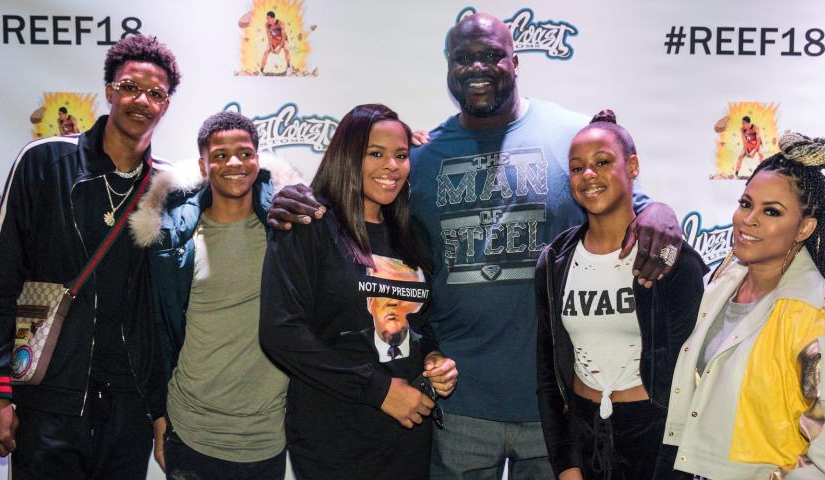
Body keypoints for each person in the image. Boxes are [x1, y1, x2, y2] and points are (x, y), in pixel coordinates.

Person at [266, 13, 683, 479]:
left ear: (516, 61)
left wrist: (661, 211)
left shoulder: (569, 135)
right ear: (448, 68)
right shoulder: (420, 159)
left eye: (490, 55)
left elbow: (634, 207)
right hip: (455, 404)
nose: (476, 67)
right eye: (462, 58)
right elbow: (358, 204)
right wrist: (289, 195)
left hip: (552, 404)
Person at [0, 34, 180, 479]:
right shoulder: (44, 162)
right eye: (130, 86)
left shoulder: (169, 189)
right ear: (108, 91)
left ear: (167, 104)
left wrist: (160, 410)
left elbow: (169, 312)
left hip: (129, 408)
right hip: (47, 402)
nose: (142, 100)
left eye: (156, 93)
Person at [664, 133, 825, 479]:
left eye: (771, 211)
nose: (747, 219)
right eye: (745, 203)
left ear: (805, 228)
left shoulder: (816, 319)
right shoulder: (721, 285)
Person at [259, 104, 458, 479]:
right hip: (333, 438)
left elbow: (422, 323)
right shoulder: (308, 223)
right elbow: (280, 332)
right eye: (376, 154)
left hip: (408, 436)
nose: (392, 166)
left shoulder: (411, 233)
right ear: (348, 156)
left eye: (401, 155)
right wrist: (377, 389)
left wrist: (433, 357)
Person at [535, 110, 707, 480]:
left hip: (652, 437)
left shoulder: (672, 259)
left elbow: (690, 377)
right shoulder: (555, 261)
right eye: (577, 168)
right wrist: (566, 463)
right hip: (583, 434)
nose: (589, 175)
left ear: (632, 166)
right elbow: (549, 376)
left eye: (602, 162)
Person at [129, 111, 288, 479]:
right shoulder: (174, 243)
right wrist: (159, 416)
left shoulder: (286, 233)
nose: (234, 163)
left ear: (258, 159)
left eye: (245, 153)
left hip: (266, 438)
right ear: (203, 165)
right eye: (219, 155)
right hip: (192, 432)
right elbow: (158, 332)